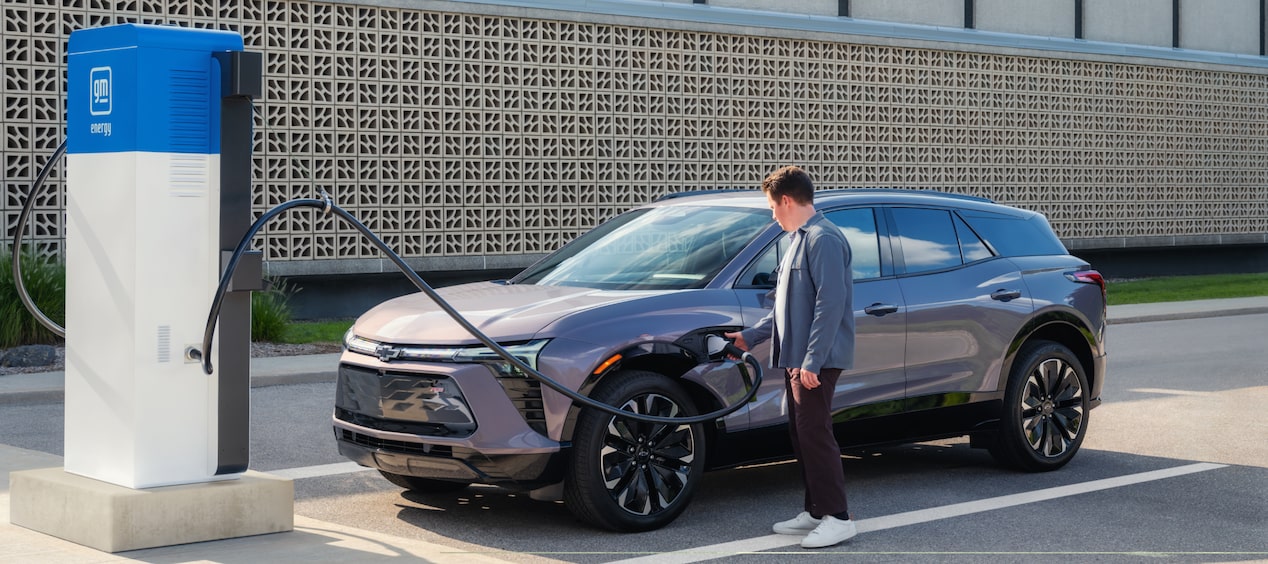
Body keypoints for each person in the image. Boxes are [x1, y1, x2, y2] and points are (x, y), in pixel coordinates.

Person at [725, 165, 857, 549]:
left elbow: (830, 305)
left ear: (786, 200)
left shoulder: (824, 239)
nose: (772, 215)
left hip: (816, 359)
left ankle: (839, 517)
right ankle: (816, 510)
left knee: (815, 434)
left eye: (772, 207)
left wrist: (813, 360)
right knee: (801, 433)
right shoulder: (797, 239)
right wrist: (751, 337)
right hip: (797, 357)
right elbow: (782, 306)